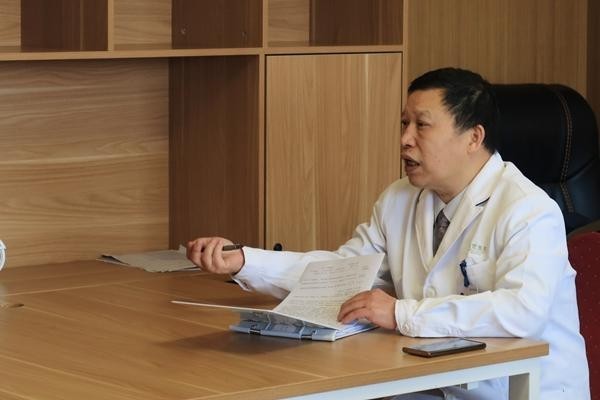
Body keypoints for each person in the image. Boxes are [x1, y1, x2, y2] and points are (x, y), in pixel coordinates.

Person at [187, 67, 589, 399]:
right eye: (403, 123)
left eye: (421, 126)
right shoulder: (400, 198)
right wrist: (245, 260)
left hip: (518, 390)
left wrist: (400, 313)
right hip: (432, 382)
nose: (404, 139)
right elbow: (342, 275)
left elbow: (522, 312)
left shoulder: (528, 210)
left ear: (474, 137)